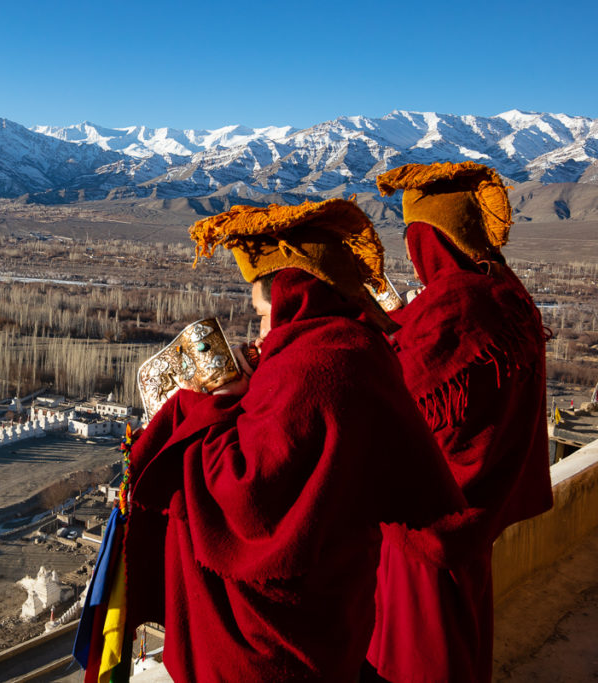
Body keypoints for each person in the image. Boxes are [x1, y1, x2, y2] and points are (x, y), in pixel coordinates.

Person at [121, 198, 466, 682]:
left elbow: (250, 492)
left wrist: (209, 403)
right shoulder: (353, 344)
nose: (261, 330)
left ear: (290, 296)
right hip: (338, 598)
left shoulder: (310, 367)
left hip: (276, 636)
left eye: (263, 312)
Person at [365, 162, 554, 682]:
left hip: (427, 523)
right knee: (461, 633)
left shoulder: (457, 305)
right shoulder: (505, 291)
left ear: (432, 238)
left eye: (414, 239)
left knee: (417, 649)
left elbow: (389, 390)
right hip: (477, 513)